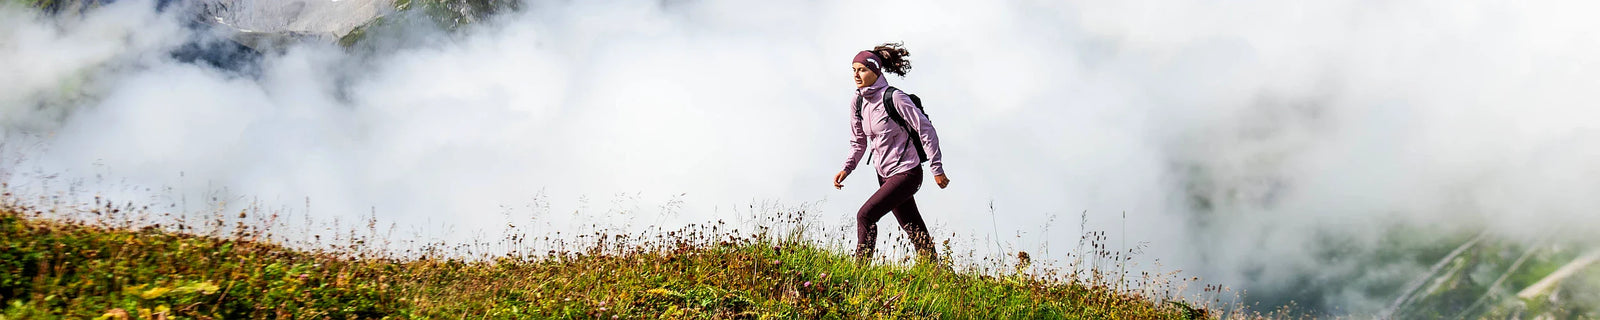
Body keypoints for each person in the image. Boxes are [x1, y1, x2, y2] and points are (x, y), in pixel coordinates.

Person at [833, 42, 949, 263]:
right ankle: (936, 272)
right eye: (854, 70)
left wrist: (937, 169)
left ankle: (858, 272)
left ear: (876, 71)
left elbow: (926, 130)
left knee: (865, 216)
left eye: (862, 70)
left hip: (907, 172)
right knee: (914, 229)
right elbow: (859, 142)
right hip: (884, 174)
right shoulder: (858, 102)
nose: (856, 75)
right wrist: (847, 168)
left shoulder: (894, 98)